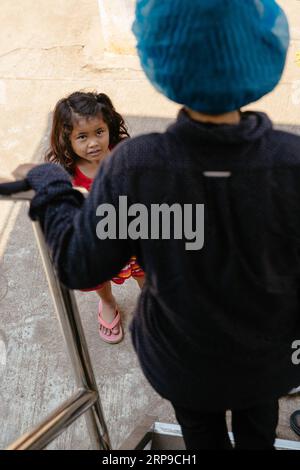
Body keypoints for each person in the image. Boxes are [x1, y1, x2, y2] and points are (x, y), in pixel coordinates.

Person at [6, 0, 300, 449]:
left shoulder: (136, 168)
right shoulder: (291, 163)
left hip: (184, 362)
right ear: (266, 52)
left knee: (201, 436)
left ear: (161, 60)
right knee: (257, 427)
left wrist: (50, 184)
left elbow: (80, 264)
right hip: (268, 361)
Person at [45, 91, 145, 343]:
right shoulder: (68, 176)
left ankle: (151, 305)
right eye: (82, 136)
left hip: (133, 233)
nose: (93, 143)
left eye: (99, 132)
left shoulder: (124, 154)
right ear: (67, 139)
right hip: (98, 243)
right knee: (100, 279)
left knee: (146, 272)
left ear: (108, 127)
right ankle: (108, 303)